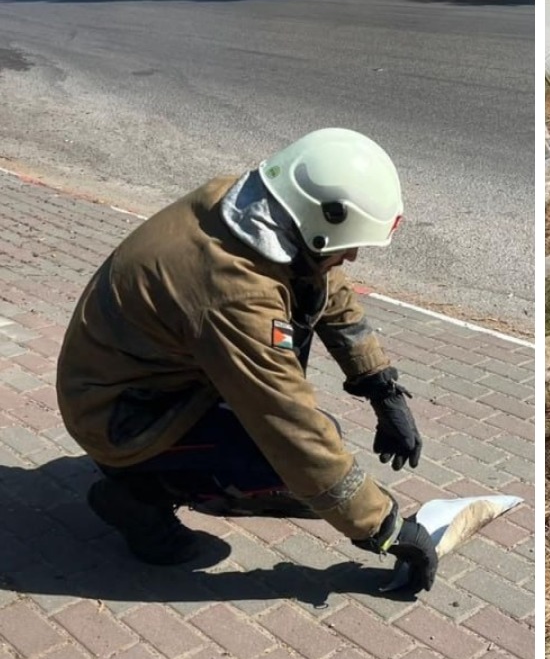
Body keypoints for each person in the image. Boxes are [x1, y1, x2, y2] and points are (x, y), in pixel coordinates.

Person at [55, 128, 438, 593]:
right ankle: (135, 496)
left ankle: (157, 472)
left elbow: (323, 281)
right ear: (317, 220)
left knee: (307, 457)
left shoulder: (252, 206)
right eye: (349, 244)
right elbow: (288, 425)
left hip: (142, 380)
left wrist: (380, 384)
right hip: (118, 416)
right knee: (283, 465)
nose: (354, 256)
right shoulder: (235, 295)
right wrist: (384, 528)